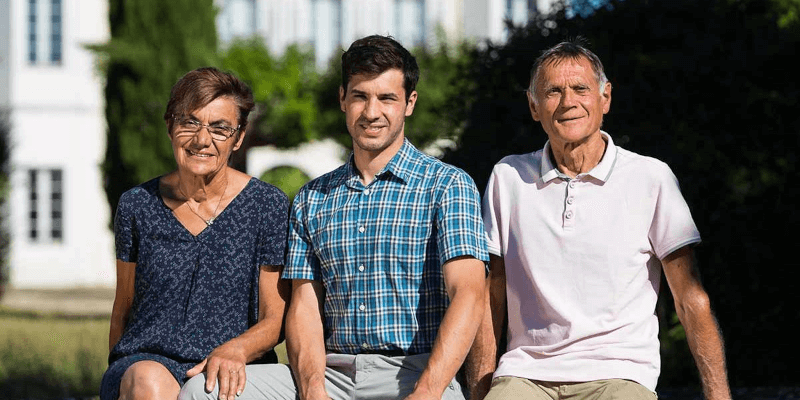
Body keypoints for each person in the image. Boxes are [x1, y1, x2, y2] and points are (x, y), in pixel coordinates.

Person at [182, 34, 488, 400]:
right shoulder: (313, 199)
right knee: (203, 391)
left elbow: (468, 294)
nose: (372, 112)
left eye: (387, 98)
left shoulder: (448, 186)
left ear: (410, 102)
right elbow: (304, 306)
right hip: (331, 375)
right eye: (360, 96)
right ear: (343, 99)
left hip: (419, 373)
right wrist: (313, 390)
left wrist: (427, 391)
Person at [467, 40, 732, 400]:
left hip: (619, 372)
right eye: (553, 92)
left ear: (605, 98)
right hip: (526, 374)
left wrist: (719, 396)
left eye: (580, 89)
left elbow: (689, 297)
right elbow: (488, 296)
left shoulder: (650, 178)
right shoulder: (508, 177)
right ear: (533, 105)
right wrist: (484, 391)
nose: (568, 102)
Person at [101, 67, 290, 400]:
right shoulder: (136, 205)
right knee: (147, 380)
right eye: (189, 122)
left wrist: (235, 349)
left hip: (233, 363)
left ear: (239, 136)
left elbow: (274, 319)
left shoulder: (267, 205)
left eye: (220, 128)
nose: (202, 139)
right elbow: (123, 308)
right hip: (145, 362)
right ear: (170, 127)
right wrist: (116, 378)